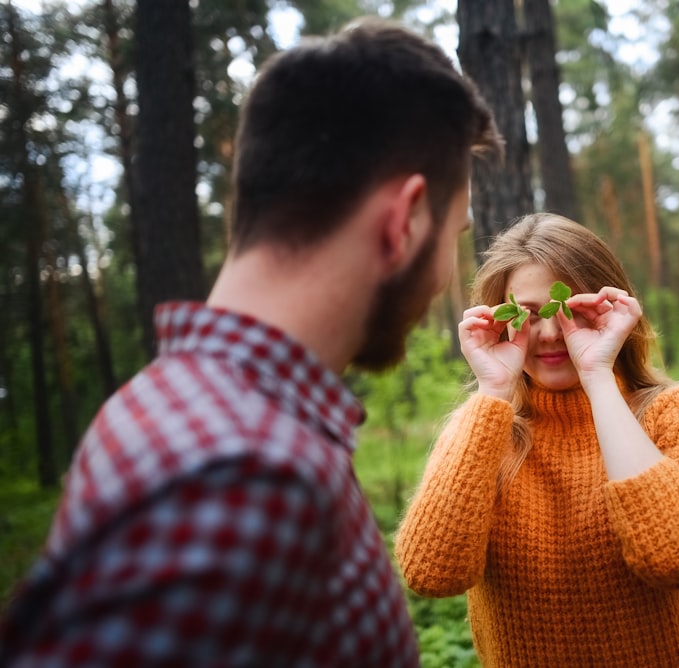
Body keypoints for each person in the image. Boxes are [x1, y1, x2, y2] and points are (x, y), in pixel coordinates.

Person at [0, 18, 498, 667]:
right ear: (403, 221)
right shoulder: (250, 475)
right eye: (456, 236)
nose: (446, 278)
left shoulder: (159, 400)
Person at [394, 213, 679, 667]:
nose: (552, 332)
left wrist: (597, 377)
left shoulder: (678, 412)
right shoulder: (482, 430)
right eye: (529, 314)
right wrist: (493, 391)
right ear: (499, 318)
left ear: (611, 309)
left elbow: (676, 556)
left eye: (570, 309)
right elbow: (431, 572)